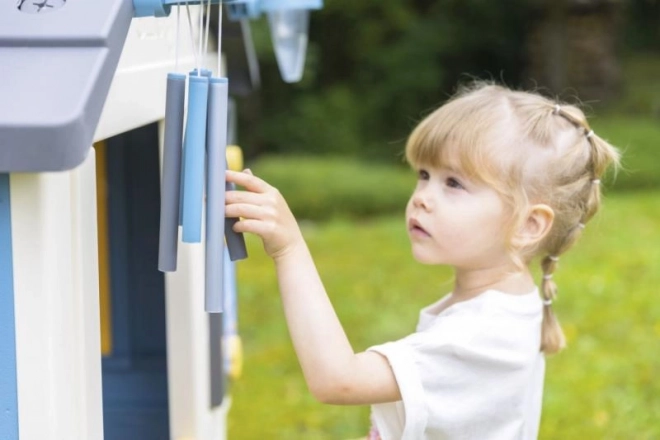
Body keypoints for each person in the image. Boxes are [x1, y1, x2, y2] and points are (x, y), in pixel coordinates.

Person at [224, 82, 621, 440]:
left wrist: (289, 248)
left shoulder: (483, 334)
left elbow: (337, 379)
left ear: (528, 224)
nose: (422, 197)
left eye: (454, 183)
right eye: (424, 174)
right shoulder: (507, 304)